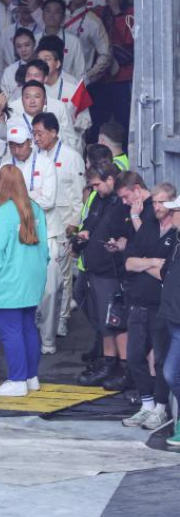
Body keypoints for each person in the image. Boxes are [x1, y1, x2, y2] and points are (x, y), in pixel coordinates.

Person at [0, 166, 50, 397]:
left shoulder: (1, 214)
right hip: (31, 283)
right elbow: (45, 251)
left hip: (7, 285)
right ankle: (30, 377)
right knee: (28, 328)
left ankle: (16, 380)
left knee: (11, 333)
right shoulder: (36, 209)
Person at [2, 116, 62, 354]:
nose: (17, 149)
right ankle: (26, 337)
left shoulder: (46, 164)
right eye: (12, 145)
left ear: (30, 142)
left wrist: (19, 195)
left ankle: (48, 339)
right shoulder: (5, 168)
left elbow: (48, 200)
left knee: (49, 290)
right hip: (16, 237)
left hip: (46, 233)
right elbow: (0, 202)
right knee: (19, 290)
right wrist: (30, 194)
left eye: (21, 144)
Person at [119, 182, 176, 430]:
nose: (157, 207)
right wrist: (151, 261)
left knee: (163, 361)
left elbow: (168, 272)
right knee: (134, 356)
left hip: (162, 306)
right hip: (139, 303)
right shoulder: (148, 226)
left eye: (162, 202)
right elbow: (129, 262)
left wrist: (145, 263)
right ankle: (146, 404)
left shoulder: (175, 232)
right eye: (154, 202)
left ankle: (162, 408)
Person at [76, 162, 133, 389]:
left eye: (98, 184)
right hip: (95, 268)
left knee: (115, 321)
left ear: (111, 180)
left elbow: (129, 234)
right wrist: (83, 235)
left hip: (113, 270)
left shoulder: (122, 202)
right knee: (102, 320)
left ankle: (123, 365)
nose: (96, 189)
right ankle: (108, 361)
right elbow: (90, 222)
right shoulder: (99, 200)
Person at [31, 113, 85, 338]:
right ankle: (40, 315)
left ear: (53, 132)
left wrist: (74, 223)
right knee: (38, 274)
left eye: (40, 133)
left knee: (62, 277)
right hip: (38, 225)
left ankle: (62, 318)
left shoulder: (71, 157)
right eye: (33, 133)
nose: (36, 138)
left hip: (63, 224)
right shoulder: (34, 157)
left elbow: (80, 193)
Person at [91, 0, 134, 137]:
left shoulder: (132, 12)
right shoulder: (98, 12)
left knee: (124, 121)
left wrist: (117, 11)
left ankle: (124, 159)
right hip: (100, 76)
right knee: (97, 121)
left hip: (123, 77)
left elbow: (130, 39)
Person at [158, 197, 180, 447]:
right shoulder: (176, 240)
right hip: (172, 317)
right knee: (170, 372)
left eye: (175, 210)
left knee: (171, 372)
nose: (170, 213)